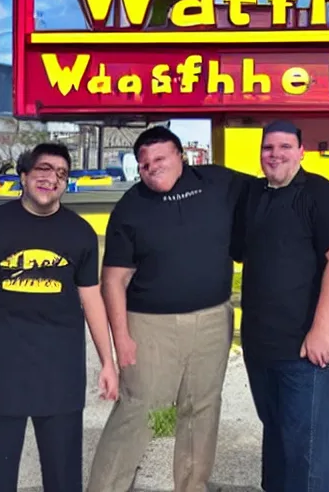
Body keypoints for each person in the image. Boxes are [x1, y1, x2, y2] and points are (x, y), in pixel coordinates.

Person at [87, 126, 248, 492]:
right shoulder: (131, 207)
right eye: (144, 163)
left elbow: (270, 194)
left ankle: (192, 486)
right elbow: (112, 280)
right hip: (148, 325)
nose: (151, 167)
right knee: (136, 408)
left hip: (212, 319)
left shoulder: (220, 183)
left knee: (202, 409)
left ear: (181, 156)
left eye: (159, 158)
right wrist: (122, 338)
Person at [0, 143, 119, 492]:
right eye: (43, 169)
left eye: (61, 173)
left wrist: (107, 362)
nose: (51, 178)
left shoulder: (79, 232)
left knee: (64, 475)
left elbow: (92, 300)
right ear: (23, 175)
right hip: (0, 368)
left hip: (60, 371)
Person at [234, 120, 329, 492]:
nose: (275, 154)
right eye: (268, 147)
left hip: (305, 352)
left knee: (305, 455)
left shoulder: (319, 193)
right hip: (261, 350)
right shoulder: (254, 197)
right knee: (276, 442)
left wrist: (322, 329)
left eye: (285, 146)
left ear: (301, 151)